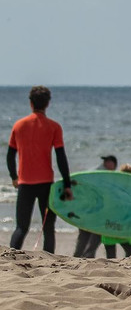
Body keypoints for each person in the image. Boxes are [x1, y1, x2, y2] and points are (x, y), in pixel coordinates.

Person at [7, 86, 72, 252]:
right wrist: (67, 184)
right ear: (48, 104)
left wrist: (14, 177)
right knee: (48, 228)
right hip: (46, 185)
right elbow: (61, 158)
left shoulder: (19, 125)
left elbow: (10, 155)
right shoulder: (54, 127)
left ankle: (11, 256)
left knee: (21, 227)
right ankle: (49, 258)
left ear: (31, 103)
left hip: (25, 184)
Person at [73, 154, 118, 259]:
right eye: (105, 161)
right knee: (92, 238)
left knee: (85, 239)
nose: (105, 163)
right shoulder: (101, 174)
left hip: (87, 212)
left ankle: (78, 257)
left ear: (114, 164)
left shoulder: (96, 173)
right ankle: (83, 257)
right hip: (92, 213)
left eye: (108, 161)